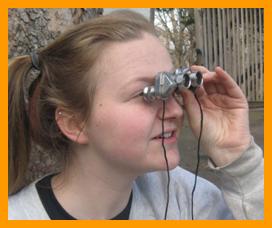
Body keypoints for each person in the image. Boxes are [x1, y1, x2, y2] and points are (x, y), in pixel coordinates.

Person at [8, 10, 263, 220]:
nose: (175, 110)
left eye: (173, 89)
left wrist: (239, 158)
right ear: (74, 123)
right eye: (147, 94)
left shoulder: (187, 199)